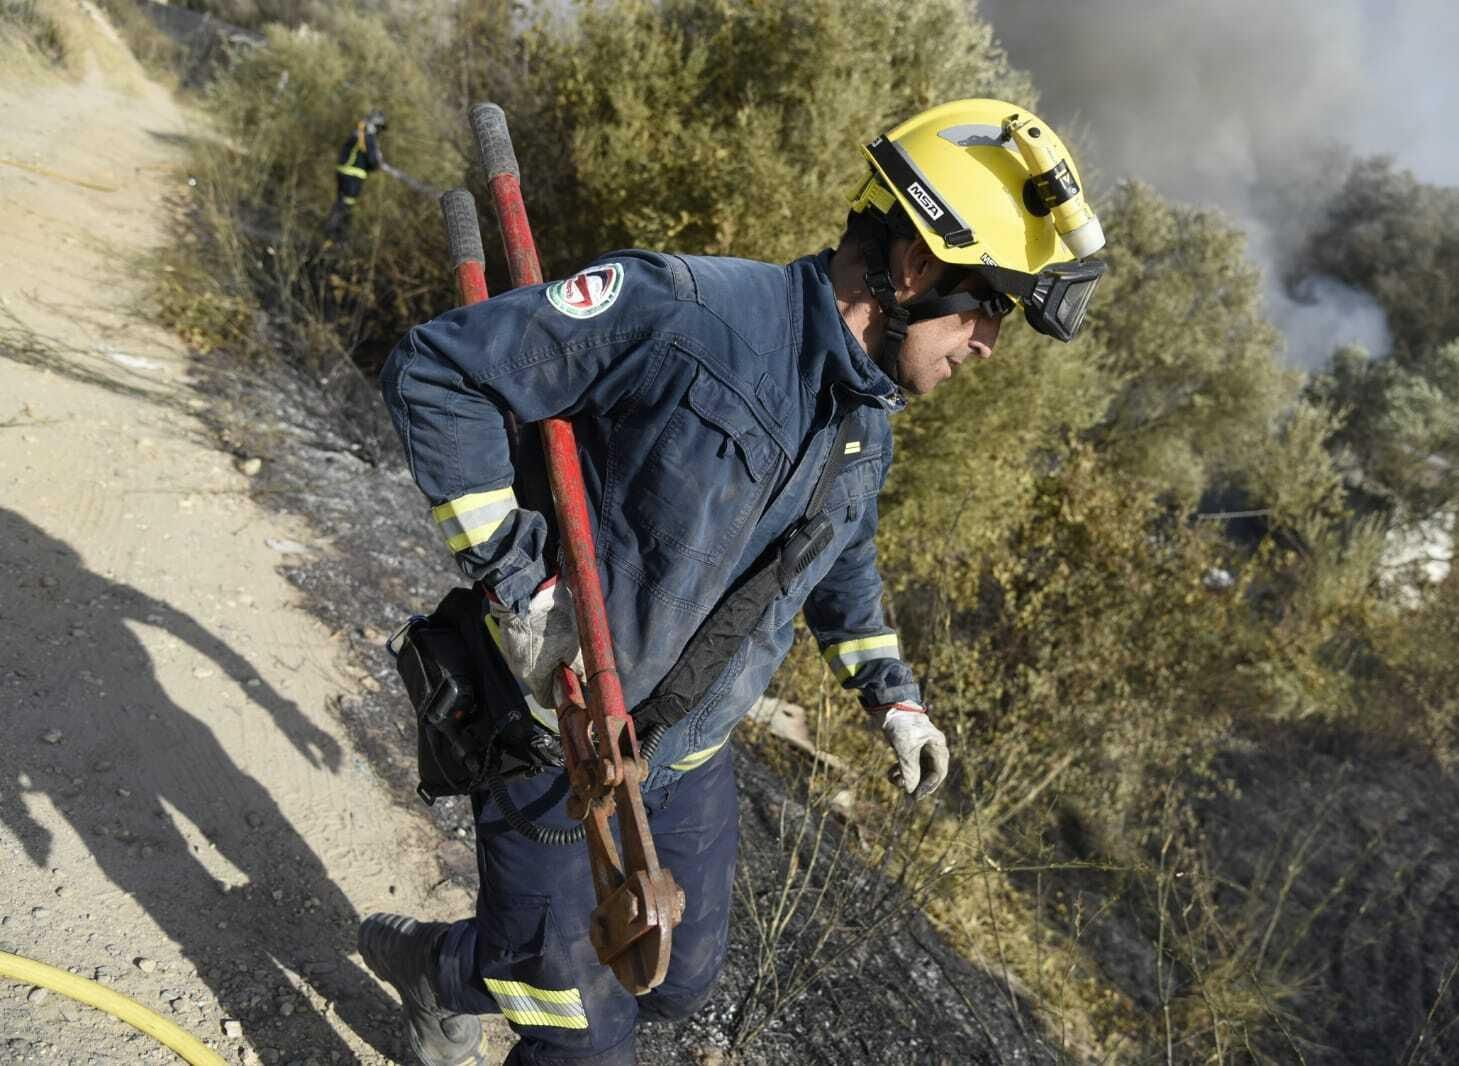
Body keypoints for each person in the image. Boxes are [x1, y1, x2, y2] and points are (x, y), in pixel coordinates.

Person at [360, 98, 1106, 1066]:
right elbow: (436, 371)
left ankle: (438, 970)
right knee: (581, 1026)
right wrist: (520, 588)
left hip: (687, 749)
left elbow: (838, 560)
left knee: (675, 981)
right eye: (989, 308)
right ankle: (502, 975)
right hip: (556, 732)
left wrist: (894, 697)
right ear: (917, 269)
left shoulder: (862, 422)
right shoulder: (682, 313)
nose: (986, 346)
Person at [323, 109, 387, 243]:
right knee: (346, 204)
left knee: (341, 201)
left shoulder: (359, 133)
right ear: (375, 125)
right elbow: (372, 161)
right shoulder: (367, 137)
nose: (380, 132)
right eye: (379, 128)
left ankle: (332, 233)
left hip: (344, 171)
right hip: (352, 175)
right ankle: (335, 235)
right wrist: (378, 164)